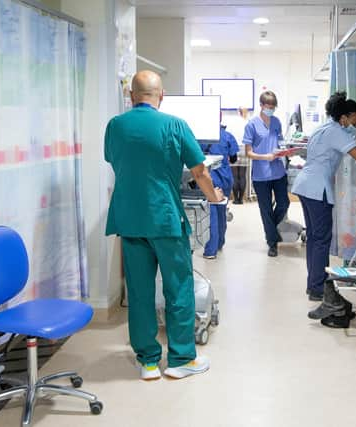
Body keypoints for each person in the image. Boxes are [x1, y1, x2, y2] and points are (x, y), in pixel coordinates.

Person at [104, 70, 224, 380]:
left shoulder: (115, 126)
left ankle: (147, 362)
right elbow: (200, 172)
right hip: (166, 219)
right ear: (163, 95)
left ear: (131, 96)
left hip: (130, 220)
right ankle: (181, 358)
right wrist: (214, 198)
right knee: (178, 288)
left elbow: (117, 161)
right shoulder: (174, 125)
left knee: (140, 292)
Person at [291, 91, 356, 328]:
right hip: (316, 189)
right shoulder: (336, 132)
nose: (354, 127)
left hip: (305, 185)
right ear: (345, 117)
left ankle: (314, 285)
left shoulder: (323, 128)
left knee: (314, 238)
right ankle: (319, 288)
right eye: (354, 122)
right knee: (321, 239)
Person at [243, 91, 290, 257]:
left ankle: (272, 230)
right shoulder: (252, 125)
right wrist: (265, 156)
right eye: (268, 106)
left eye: (273, 107)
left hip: (278, 171)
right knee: (266, 209)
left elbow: (280, 140)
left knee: (284, 203)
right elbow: (248, 152)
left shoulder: (276, 122)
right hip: (261, 174)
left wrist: (284, 150)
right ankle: (272, 243)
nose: (271, 109)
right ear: (261, 105)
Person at [201, 119, 239, 259]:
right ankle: (220, 242)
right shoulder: (227, 136)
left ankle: (211, 250)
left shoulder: (201, 136)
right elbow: (234, 158)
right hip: (225, 177)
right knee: (222, 209)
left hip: (210, 177)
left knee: (211, 213)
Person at [230, 107, 250, 204]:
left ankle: (235, 199)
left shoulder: (233, 122)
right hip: (244, 148)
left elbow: (229, 135)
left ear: (238, 112)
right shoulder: (247, 122)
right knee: (242, 175)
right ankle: (241, 199)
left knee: (234, 175)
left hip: (234, 148)